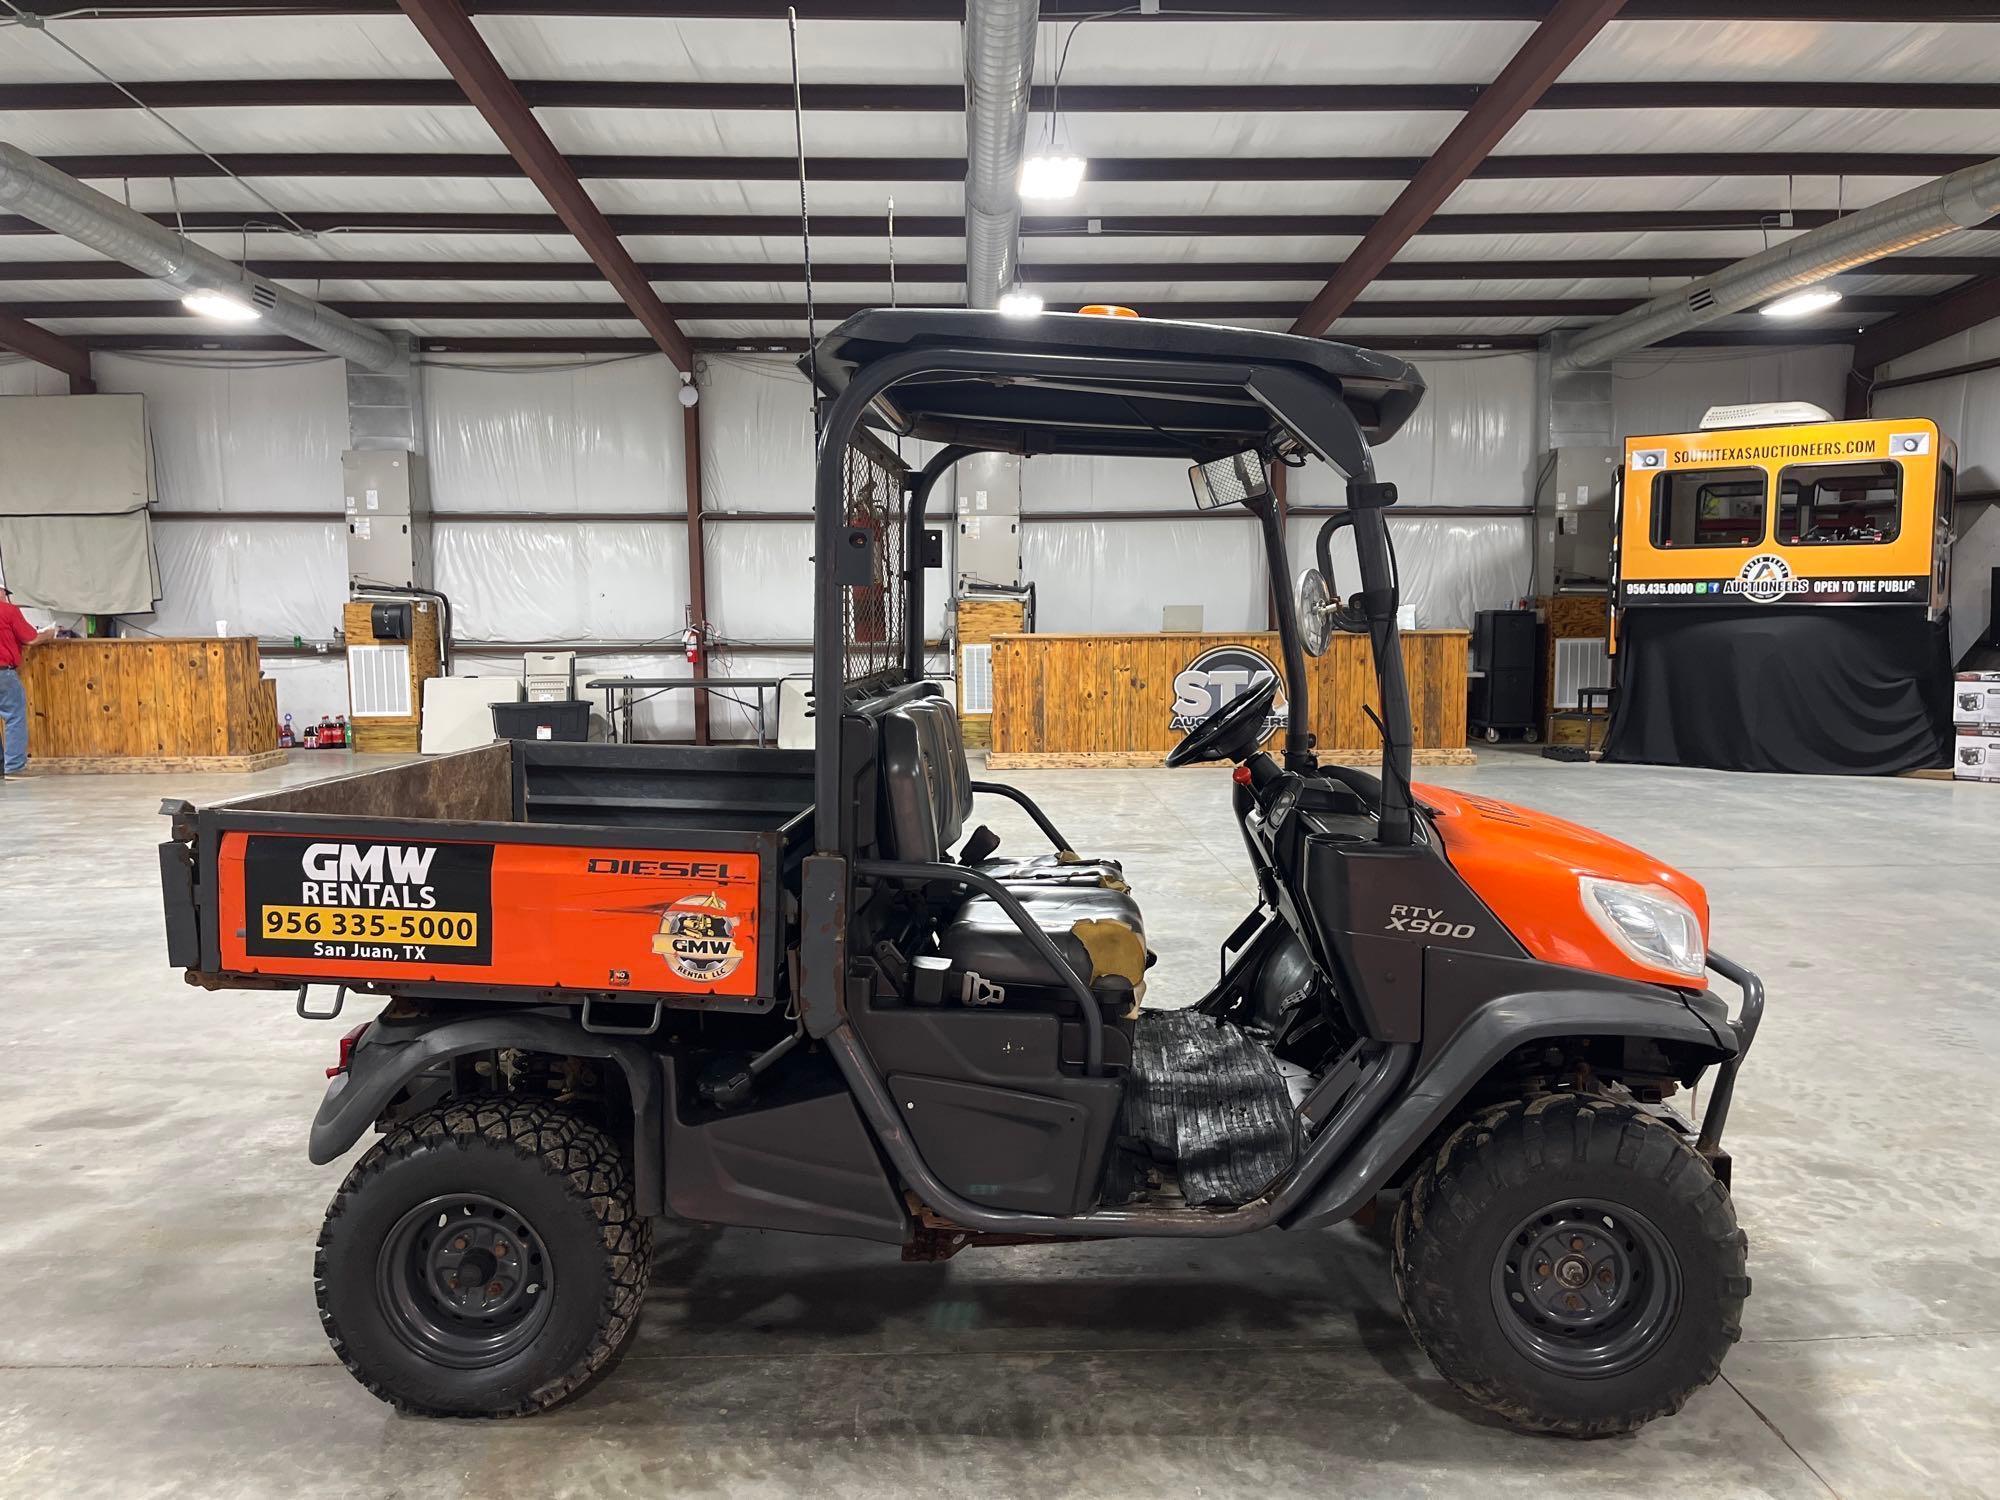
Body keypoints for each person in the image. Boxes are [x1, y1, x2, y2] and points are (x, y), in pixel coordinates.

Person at [0, 584, 54, 776]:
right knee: (14, 717)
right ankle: (14, 768)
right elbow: (31, 638)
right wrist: (49, 633)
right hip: (3, 672)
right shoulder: (8, 611)